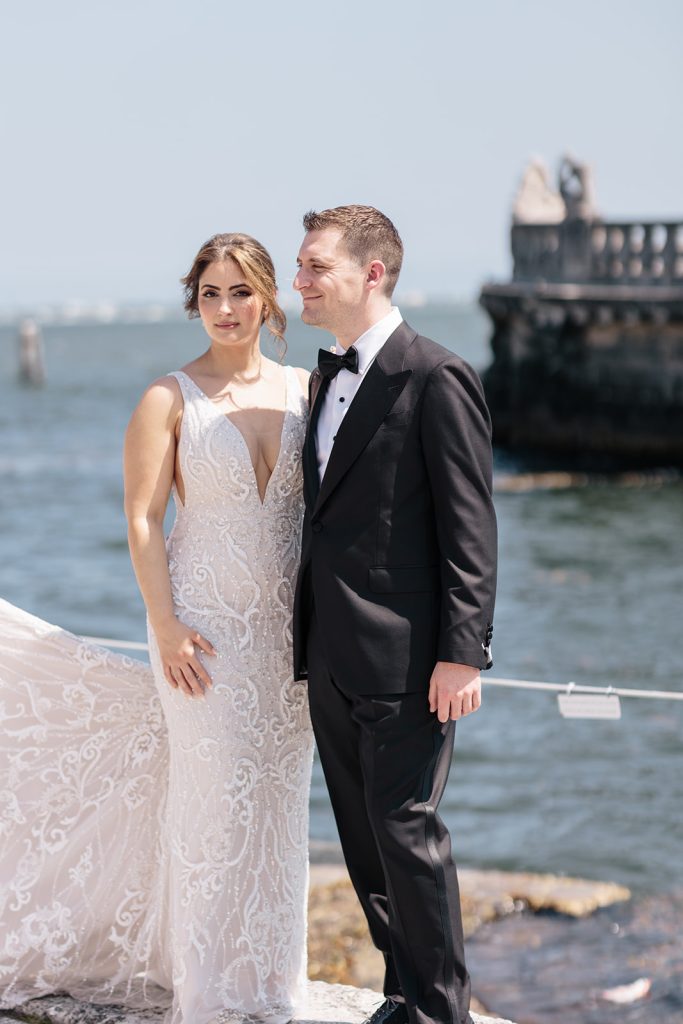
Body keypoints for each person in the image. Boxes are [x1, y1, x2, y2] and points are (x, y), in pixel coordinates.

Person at [0, 233, 313, 1024]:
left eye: (240, 292)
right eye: (210, 293)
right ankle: (209, 995)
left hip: (290, 640)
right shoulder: (167, 399)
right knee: (212, 808)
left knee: (278, 804)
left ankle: (272, 986)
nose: (226, 309)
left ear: (268, 298)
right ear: (194, 302)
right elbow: (142, 521)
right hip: (201, 635)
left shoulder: (310, 392)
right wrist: (164, 621)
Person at [292, 206, 497, 1024]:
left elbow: (469, 524)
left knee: (407, 834)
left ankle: (442, 1010)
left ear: (370, 273)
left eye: (314, 267)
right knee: (365, 841)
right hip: (332, 653)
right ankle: (400, 995)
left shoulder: (434, 375)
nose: (297, 281)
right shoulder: (324, 377)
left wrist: (464, 652)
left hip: (412, 659)